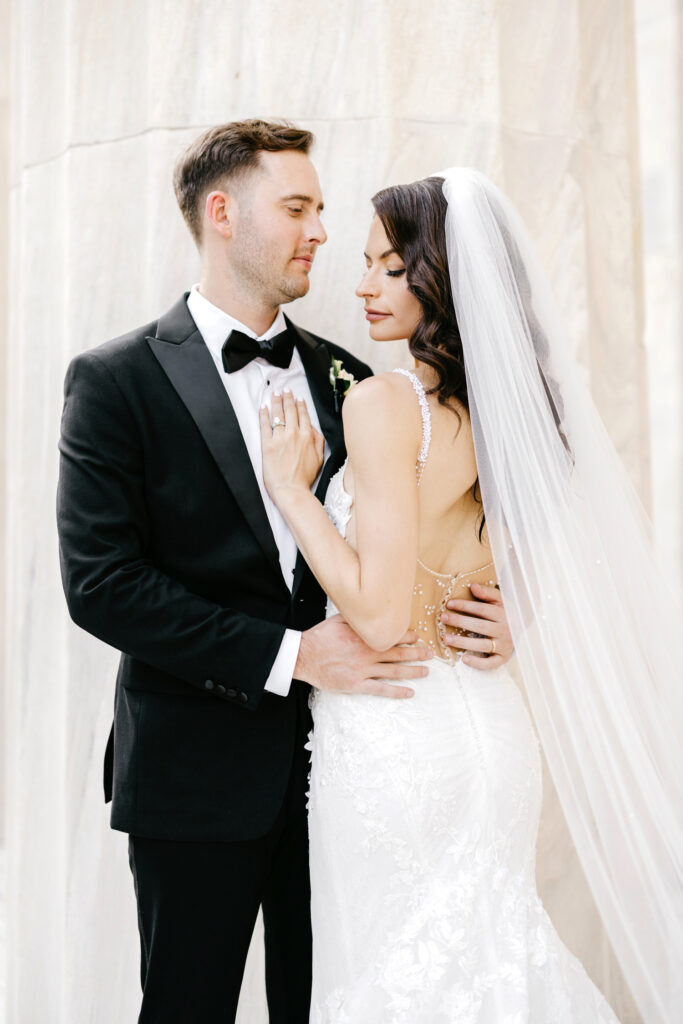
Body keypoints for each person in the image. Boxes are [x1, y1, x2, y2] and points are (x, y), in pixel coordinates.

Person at [56, 124, 514, 1023]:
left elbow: (438, 531)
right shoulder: (114, 380)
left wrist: (506, 614)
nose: (320, 233)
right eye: (297, 208)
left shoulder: (353, 377)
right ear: (222, 214)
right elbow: (101, 583)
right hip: (194, 776)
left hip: (355, 776)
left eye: (321, 211)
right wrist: (288, 656)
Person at [261, 171, 683, 1022]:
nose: (362, 285)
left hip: (395, 734)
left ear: (439, 276)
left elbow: (378, 617)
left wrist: (295, 494)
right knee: (494, 959)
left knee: (396, 981)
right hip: (490, 733)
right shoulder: (519, 418)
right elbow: (529, 573)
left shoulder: (387, 403)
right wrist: (514, 620)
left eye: (388, 266)